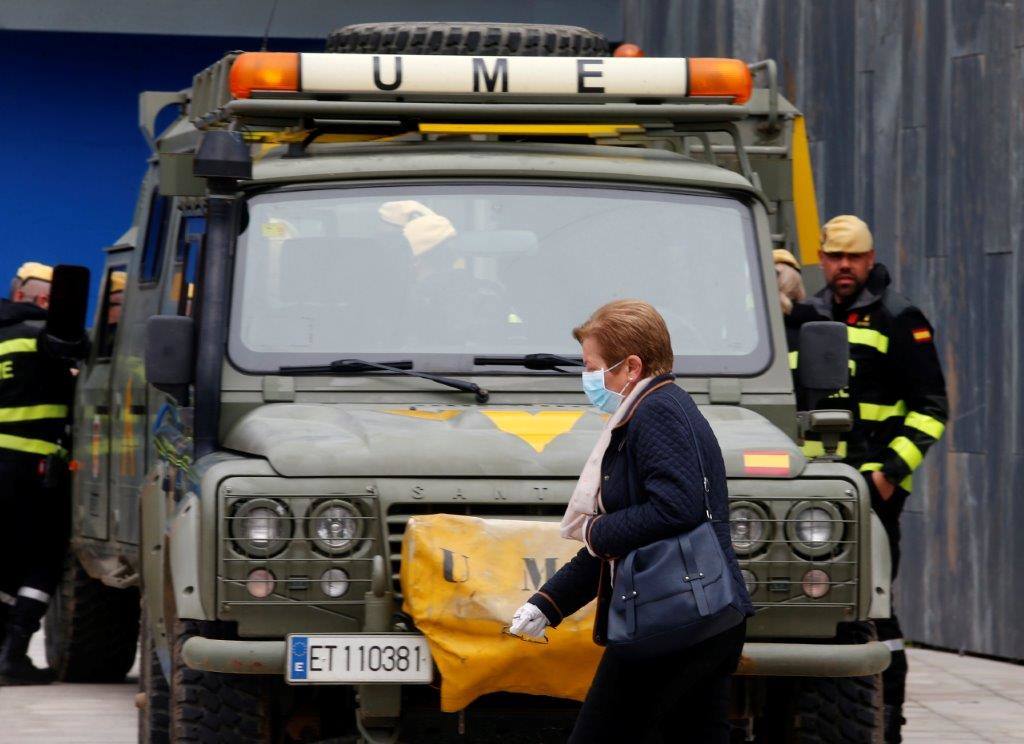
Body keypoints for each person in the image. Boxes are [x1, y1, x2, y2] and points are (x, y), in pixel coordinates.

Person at [508, 299, 754, 743]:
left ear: (631, 367)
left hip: (669, 621)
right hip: (706, 618)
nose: (588, 379)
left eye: (592, 367)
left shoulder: (655, 411)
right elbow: (635, 534)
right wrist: (549, 603)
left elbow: (675, 507)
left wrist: (596, 530)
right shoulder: (664, 405)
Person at [795, 215, 948, 743]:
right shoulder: (806, 315)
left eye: (854, 257)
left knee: (874, 610)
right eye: (836, 256)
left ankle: (887, 724)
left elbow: (931, 408)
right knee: (807, 606)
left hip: (873, 492)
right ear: (821, 259)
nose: (845, 266)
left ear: (870, 258)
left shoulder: (900, 318)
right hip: (813, 494)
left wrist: (888, 476)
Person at [0, 263, 83, 685]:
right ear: (47, 299)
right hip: (32, 469)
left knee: (5, 562)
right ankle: (13, 654)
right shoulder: (41, 338)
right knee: (45, 559)